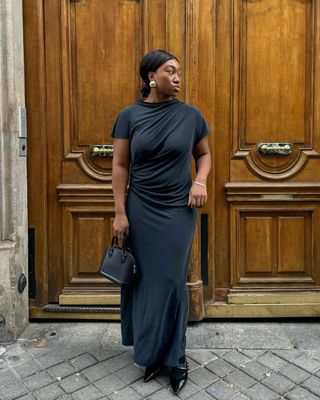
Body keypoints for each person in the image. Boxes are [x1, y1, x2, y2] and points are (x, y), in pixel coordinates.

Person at [111, 49, 211, 394]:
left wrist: (200, 181)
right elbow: (120, 166)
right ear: (151, 76)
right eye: (171, 71)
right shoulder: (129, 115)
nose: (178, 77)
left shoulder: (190, 115)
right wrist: (120, 212)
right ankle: (152, 353)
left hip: (178, 209)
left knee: (170, 281)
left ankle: (176, 357)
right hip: (141, 207)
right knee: (146, 283)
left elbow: (204, 154)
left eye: (179, 72)